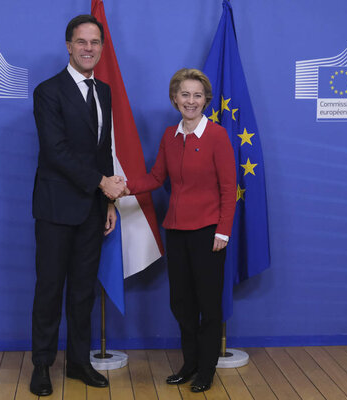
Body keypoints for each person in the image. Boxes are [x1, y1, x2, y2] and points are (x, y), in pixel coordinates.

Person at [29, 14, 125, 397]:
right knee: (50, 289)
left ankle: (79, 362)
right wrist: (102, 183)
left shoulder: (103, 91)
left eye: (95, 42)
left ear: (101, 48)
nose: (89, 48)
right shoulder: (47, 91)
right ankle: (41, 365)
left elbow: (103, 152)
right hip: (55, 209)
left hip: (91, 209)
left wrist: (108, 203)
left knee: (83, 290)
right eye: (82, 42)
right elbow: (55, 152)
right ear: (68, 46)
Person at [124, 68, 236, 392]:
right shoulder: (169, 137)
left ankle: (206, 368)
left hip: (209, 232)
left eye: (197, 95)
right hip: (176, 230)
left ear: (206, 100)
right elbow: (156, 178)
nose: (191, 100)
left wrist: (223, 232)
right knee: (181, 303)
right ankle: (189, 363)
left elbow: (229, 188)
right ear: (175, 98)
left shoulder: (217, 136)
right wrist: (124, 187)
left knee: (208, 305)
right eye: (185, 94)